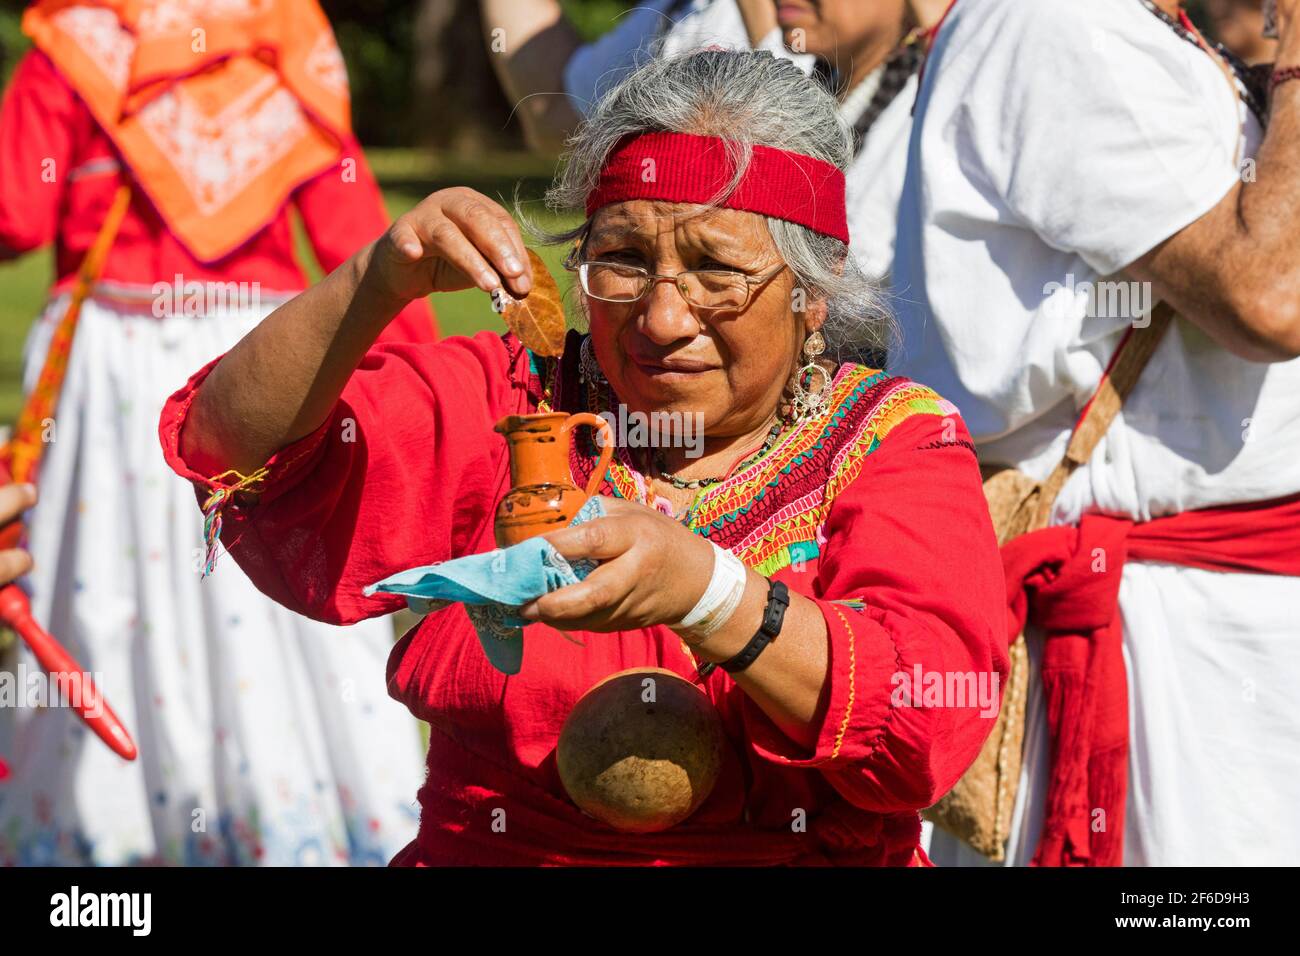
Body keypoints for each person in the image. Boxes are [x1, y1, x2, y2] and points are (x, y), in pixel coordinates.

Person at [160, 49, 1007, 866]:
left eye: (716, 269)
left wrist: (708, 593)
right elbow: (230, 447)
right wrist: (376, 279)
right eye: (624, 262)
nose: (663, 318)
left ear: (812, 293)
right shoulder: (516, 405)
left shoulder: (891, 440)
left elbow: (923, 720)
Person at [0, 0, 432, 865]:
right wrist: (434, 374)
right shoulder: (284, 45)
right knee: (277, 580)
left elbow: (15, 217)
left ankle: (107, 839)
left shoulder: (76, 47)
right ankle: (295, 826)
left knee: (101, 597)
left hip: (112, 369)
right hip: (262, 361)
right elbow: (355, 238)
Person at [894, 0, 1300, 865]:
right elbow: (1272, 295)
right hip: (1168, 641)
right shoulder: (1060, 22)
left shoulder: (1156, 32)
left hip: (1214, 627)